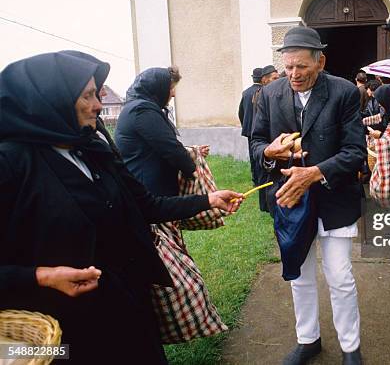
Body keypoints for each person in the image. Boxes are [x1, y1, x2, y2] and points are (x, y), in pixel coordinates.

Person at [0, 52, 243, 364]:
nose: (99, 105)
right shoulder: (11, 164)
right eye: (88, 95)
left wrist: (208, 199)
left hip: (129, 306)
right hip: (64, 333)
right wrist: (42, 276)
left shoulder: (92, 148)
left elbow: (145, 205)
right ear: (52, 100)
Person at [251, 26, 366, 365]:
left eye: (301, 67)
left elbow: (355, 151)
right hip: (291, 201)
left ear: (321, 61)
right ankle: (308, 340)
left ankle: (351, 347)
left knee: (340, 276)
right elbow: (257, 142)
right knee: (299, 274)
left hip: (334, 198)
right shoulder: (270, 95)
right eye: (287, 67)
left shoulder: (344, 92)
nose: (293, 75)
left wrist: (314, 173)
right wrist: (270, 152)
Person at [115, 66, 197, 197]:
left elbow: (152, 145)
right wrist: (192, 171)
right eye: (170, 88)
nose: (173, 94)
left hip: (147, 187)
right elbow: (169, 147)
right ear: (157, 89)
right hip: (150, 191)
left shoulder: (136, 107)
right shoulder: (142, 111)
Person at [239, 67, 263, 185]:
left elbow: (240, 112)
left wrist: (245, 124)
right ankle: (261, 176)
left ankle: (255, 179)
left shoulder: (246, 92)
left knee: (252, 154)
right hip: (260, 128)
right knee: (261, 153)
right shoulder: (264, 91)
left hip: (249, 128)